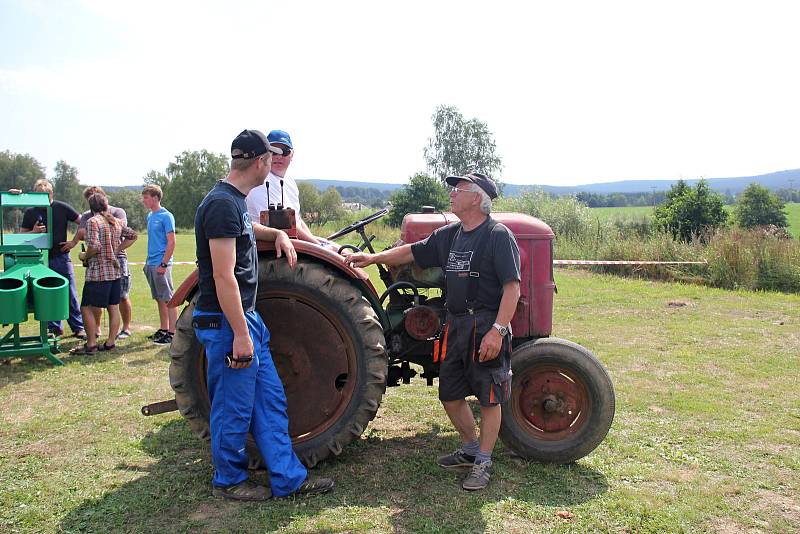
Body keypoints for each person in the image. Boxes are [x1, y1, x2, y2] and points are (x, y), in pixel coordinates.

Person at [345, 172, 521, 491]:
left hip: (485, 322)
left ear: (478, 198)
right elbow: (412, 251)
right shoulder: (451, 234)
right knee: (450, 393)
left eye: (459, 189)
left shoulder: (498, 235)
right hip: (456, 323)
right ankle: (469, 447)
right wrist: (372, 258)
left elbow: (512, 288)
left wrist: (498, 330)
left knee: (489, 396)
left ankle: (483, 460)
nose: (452, 193)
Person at [193, 129, 334, 501]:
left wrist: (277, 234)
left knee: (270, 401)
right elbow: (224, 275)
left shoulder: (234, 201)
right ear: (260, 163)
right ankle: (229, 480)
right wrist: (240, 334)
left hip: (248, 319)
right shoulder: (221, 204)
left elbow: (244, 229)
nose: (272, 165)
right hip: (227, 322)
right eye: (270, 160)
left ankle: (288, 478)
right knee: (234, 407)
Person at [67, 186, 137, 340]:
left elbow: (95, 246)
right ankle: (111, 341)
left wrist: (84, 255)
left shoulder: (93, 221)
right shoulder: (115, 220)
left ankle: (91, 343)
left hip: (99, 270)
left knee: (87, 306)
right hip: (115, 270)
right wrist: (115, 249)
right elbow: (133, 235)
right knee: (113, 306)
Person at [19, 179, 84, 339]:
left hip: (60, 256)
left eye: (45, 195)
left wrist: (73, 241)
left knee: (69, 292)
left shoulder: (61, 207)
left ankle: (78, 327)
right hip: (38, 259)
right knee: (45, 293)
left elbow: (83, 221)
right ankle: (54, 327)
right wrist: (33, 232)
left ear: (51, 193)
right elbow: (20, 236)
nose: (42, 198)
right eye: (38, 195)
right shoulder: (30, 212)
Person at [245, 130, 324, 245]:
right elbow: (284, 224)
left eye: (284, 152)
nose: (279, 156)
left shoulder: (290, 182)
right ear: (265, 154)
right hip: (267, 246)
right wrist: (318, 246)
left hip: (290, 241)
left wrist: (320, 243)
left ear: (292, 155)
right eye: (274, 152)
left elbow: (298, 221)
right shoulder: (261, 181)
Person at [141, 184, 176, 345]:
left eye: (146, 197)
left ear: (155, 198)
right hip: (151, 263)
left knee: (169, 299)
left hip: (161, 264)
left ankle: (172, 332)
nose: (143, 200)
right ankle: (163, 328)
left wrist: (164, 263)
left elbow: (171, 242)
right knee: (159, 299)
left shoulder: (166, 216)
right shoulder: (150, 216)